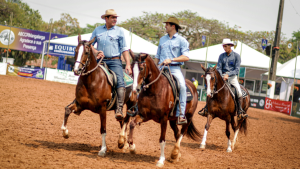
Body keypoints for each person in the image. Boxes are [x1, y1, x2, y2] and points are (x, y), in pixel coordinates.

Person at [90, 9, 132, 121]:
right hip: (100, 61)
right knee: (88, 76)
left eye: (116, 18)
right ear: (106, 18)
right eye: (113, 17)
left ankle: (119, 109)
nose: (115, 19)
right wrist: (96, 52)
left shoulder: (120, 31)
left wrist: (128, 64)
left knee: (120, 81)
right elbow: (90, 45)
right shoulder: (97, 30)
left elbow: (124, 49)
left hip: (115, 61)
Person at [198, 38, 248, 119]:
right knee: (211, 89)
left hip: (232, 78)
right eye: (223, 46)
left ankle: (240, 111)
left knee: (239, 92)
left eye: (225, 46)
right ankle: (206, 108)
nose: (224, 48)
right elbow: (219, 68)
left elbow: (237, 70)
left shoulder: (236, 56)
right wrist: (221, 76)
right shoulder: (221, 56)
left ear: (230, 46)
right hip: (222, 78)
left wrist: (228, 75)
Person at [154, 17, 190, 124]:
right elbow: (157, 55)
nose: (165, 26)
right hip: (160, 68)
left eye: (167, 24)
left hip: (174, 68)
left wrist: (172, 59)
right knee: (146, 80)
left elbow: (186, 57)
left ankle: (181, 114)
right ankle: (138, 106)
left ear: (173, 26)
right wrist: (155, 67)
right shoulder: (162, 39)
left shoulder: (182, 41)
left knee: (182, 87)